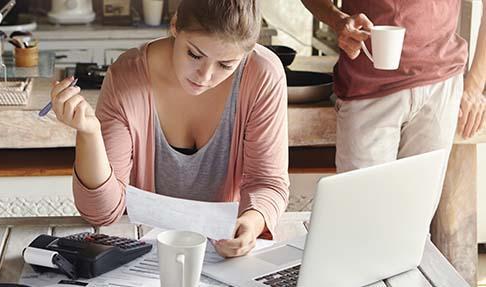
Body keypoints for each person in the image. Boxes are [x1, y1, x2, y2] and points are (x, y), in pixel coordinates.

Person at [49, 0, 289, 258]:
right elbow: (100, 213)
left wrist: (252, 223)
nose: (204, 76)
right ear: (174, 26)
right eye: (195, 55)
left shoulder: (262, 74)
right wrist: (89, 133)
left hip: (222, 255)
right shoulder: (126, 75)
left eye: (225, 65)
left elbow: (267, 182)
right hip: (142, 256)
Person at [300, 0, 486, 172]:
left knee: (418, 207)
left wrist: (475, 86)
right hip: (367, 88)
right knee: (361, 205)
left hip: (440, 86)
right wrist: (337, 19)